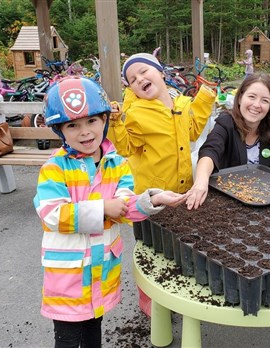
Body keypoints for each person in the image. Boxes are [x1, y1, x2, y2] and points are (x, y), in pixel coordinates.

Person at [33, 77, 186, 347]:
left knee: (94, 330)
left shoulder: (118, 165)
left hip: (101, 272)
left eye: (92, 121)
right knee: (68, 339)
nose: (85, 132)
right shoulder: (54, 169)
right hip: (69, 277)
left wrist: (152, 199)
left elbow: (124, 207)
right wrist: (103, 208)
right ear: (59, 130)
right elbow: (52, 214)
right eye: (72, 125)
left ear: (104, 120)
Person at [109, 52, 216, 316]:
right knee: (150, 248)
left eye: (144, 72)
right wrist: (115, 122)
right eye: (132, 80)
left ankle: (175, 291)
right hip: (151, 197)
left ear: (161, 72)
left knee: (180, 243)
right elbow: (124, 146)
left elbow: (193, 131)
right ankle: (148, 295)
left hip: (181, 190)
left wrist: (204, 98)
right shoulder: (135, 113)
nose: (139, 79)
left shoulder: (181, 103)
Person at [186, 73, 270, 210]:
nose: (256, 105)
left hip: (260, 204)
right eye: (251, 97)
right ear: (240, 98)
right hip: (226, 204)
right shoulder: (226, 123)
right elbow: (210, 150)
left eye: (265, 100)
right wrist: (201, 181)